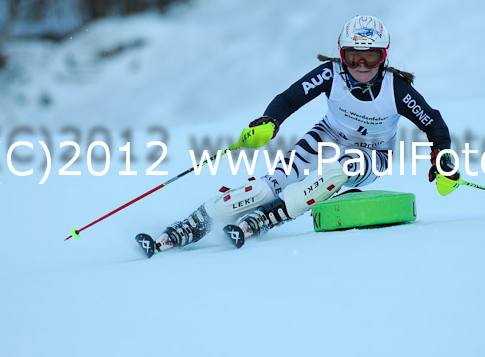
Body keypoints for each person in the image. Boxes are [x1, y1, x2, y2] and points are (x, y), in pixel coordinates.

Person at [148, 15, 460, 253]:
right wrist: (270, 121)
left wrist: (443, 158)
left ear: (384, 57)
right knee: (278, 179)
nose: (362, 66)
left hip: (372, 154)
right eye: (353, 57)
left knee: (341, 168)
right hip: (328, 135)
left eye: (371, 57)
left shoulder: (396, 89)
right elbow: (289, 98)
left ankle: (272, 215)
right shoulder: (331, 73)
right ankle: (194, 223)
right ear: (342, 55)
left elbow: (434, 123)